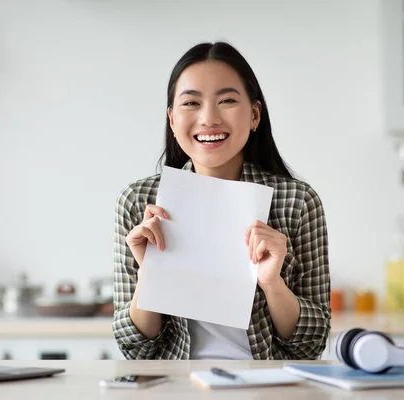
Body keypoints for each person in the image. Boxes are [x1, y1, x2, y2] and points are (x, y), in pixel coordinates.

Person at [113, 41, 330, 360]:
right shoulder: (138, 202)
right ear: (172, 120)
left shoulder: (298, 201)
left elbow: (310, 345)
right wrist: (151, 275)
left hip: (265, 387)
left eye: (227, 100)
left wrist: (272, 284)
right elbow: (135, 348)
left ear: (255, 114)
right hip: (175, 387)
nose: (208, 118)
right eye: (191, 103)